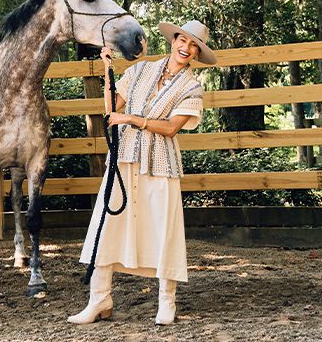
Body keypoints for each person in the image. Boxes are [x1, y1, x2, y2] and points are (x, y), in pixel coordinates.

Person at [67, 20, 217, 325]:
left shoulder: (192, 88)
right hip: (124, 157)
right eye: (183, 41)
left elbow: (171, 128)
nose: (186, 48)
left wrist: (132, 119)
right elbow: (112, 109)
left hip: (160, 162)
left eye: (193, 46)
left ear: (197, 53)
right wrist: (108, 72)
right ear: (174, 40)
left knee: (163, 228)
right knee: (108, 224)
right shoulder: (140, 71)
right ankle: (99, 299)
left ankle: (167, 301)